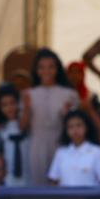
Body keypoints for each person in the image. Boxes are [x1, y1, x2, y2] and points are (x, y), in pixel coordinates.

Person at [20, 48, 78, 185]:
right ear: (36, 70)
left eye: (51, 67)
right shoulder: (28, 94)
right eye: (42, 67)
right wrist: (27, 107)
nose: (46, 71)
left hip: (61, 144)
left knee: (60, 182)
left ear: (57, 69)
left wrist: (67, 115)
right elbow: (22, 126)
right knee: (37, 183)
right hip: (36, 145)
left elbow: (75, 124)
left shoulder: (69, 94)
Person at [48, 110, 100, 187]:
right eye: (70, 127)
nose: (75, 130)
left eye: (79, 125)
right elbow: (53, 180)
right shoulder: (61, 153)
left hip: (90, 198)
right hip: (66, 198)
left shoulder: (98, 152)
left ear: (87, 127)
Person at [0, 86, 27, 186]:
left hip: (30, 178)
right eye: (4, 105)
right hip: (8, 181)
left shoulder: (28, 125)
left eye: (12, 103)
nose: (9, 108)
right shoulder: (0, 129)